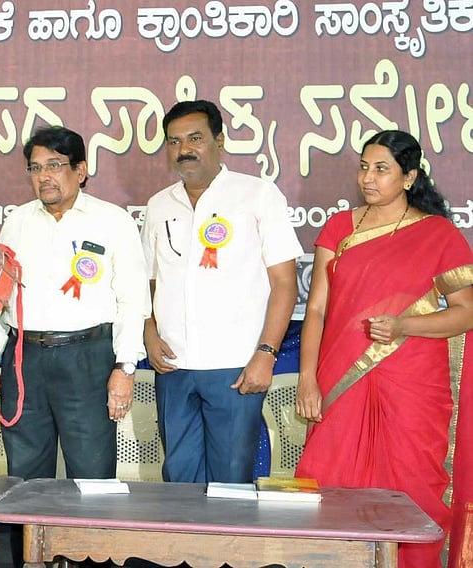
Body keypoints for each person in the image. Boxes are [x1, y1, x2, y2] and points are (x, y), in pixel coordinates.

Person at [295, 130, 473, 568]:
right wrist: (307, 377)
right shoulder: (340, 227)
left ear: (409, 177)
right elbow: (315, 308)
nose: (368, 179)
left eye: (381, 169)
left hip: (413, 384)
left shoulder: (439, 235)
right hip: (340, 381)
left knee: (412, 487)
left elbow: (467, 312)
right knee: (327, 485)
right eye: (363, 167)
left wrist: (404, 326)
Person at [142, 99, 302, 483]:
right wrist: (148, 332)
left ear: (220, 140)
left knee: (231, 480)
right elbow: (148, 280)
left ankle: (227, 546)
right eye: (174, 142)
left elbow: (284, 283)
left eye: (195, 138)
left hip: (236, 365)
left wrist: (266, 354)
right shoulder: (159, 204)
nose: (184, 150)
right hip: (174, 366)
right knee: (178, 478)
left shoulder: (258, 195)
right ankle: (182, 546)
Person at [0, 125, 151, 481]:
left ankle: (85, 539)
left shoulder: (113, 221)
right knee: (24, 474)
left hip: (87, 358)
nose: (44, 177)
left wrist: (126, 367)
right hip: (24, 357)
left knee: (91, 472)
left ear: (81, 170)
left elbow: (133, 300)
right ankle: (25, 539)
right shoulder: (18, 222)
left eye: (55, 165)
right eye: (36, 168)